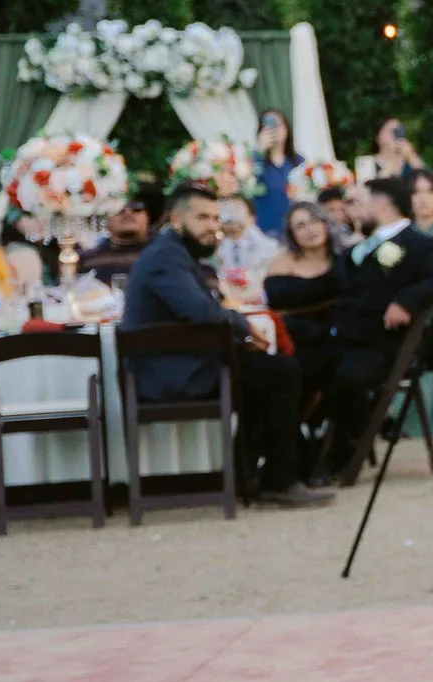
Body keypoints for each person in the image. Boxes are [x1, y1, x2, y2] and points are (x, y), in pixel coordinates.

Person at [120, 183, 328, 508]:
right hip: (170, 375)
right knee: (279, 372)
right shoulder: (165, 256)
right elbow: (200, 311)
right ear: (176, 219)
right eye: (203, 217)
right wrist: (243, 326)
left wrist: (239, 331)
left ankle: (247, 473)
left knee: (270, 371)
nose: (213, 227)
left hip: (179, 363)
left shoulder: (173, 252)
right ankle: (277, 479)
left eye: (216, 218)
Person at [321, 177, 433, 476]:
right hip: (343, 338)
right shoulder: (357, 247)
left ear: (381, 203)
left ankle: (343, 453)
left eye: (356, 202)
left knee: (348, 377)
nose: (350, 211)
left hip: (381, 344)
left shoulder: (419, 244)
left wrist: (406, 301)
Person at [264, 201, 347, 407]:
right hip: (297, 341)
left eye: (314, 221)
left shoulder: (344, 258)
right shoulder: (282, 261)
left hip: (338, 337)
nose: (309, 229)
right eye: (300, 226)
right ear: (292, 235)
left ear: (325, 223)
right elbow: (277, 298)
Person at [73, 192, 155, 280]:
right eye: (119, 210)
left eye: (136, 209)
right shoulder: (84, 259)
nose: (128, 212)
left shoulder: (164, 254)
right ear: (106, 221)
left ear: (148, 217)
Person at [249, 108, 300, 238]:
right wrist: (259, 149)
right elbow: (246, 183)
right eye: (268, 124)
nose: (274, 129)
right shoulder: (254, 161)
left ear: (287, 129)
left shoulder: (299, 162)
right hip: (264, 232)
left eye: (278, 124)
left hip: (296, 231)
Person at [211, 195, 280, 281]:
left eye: (237, 211)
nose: (233, 219)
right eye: (227, 212)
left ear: (252, 217)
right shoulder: (212, 249)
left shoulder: (270, 249)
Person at [354, 118, 422, 186]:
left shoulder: (411, 161)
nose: (395, 135)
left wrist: (411, 156)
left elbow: (428, 183)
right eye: (391, 131)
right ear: (377, 137)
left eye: (398, 131)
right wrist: (392, 160)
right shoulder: (364, 163)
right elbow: (367, 191)